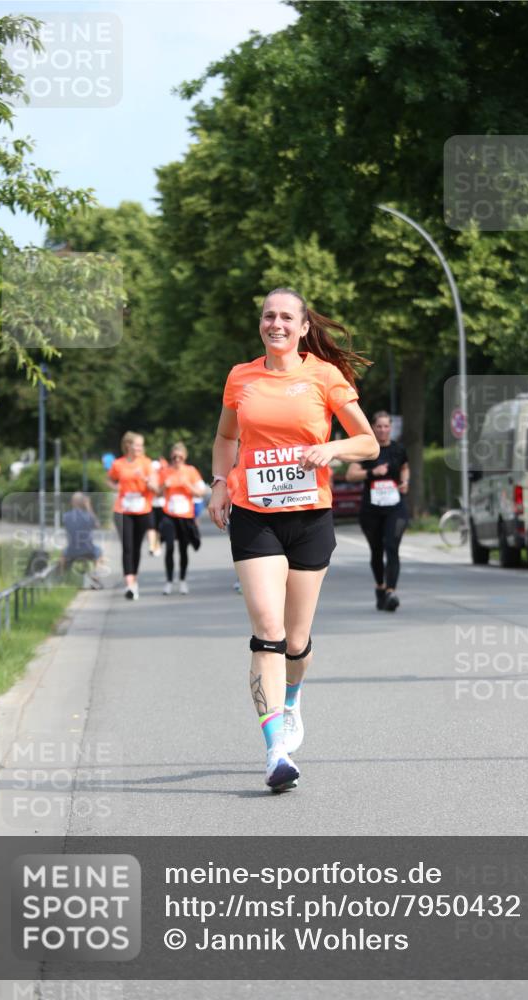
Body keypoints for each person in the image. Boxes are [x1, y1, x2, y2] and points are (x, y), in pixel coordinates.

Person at [208, 287, 379, 792]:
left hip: (309, 519)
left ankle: (292, 697)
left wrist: (331, 449)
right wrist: (220, 483)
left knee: (297, 642)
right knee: (268, 630)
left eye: (286, 317)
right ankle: (275, 752)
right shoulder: (241, 377)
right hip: (254, 515)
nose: (275, 323)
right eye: (267, 316)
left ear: (304, 328)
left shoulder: (325, 377)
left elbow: (367, 442)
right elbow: (225, 438)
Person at [346, 410, 410, 611]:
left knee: (392, 547)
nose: (383, 430)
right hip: (371, 510)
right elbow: (350, 475)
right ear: (373, 428)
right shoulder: (368, 450)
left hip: (395, 508)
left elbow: (405, 467)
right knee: (377, 550)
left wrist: (405, 482)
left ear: (391, 428)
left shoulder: (399, 449)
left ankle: (391, 591)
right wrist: (372, 472)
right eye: (379, 426)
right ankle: (380, 588)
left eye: (386, 426)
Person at [107, 432, 158, 600]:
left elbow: (155, 488)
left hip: (142, 509)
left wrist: (144, 478)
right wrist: (116, 488)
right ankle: (129, 584)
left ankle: (134, 579)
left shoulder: (146, 463)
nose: (140, 448)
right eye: (137, 445)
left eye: (141, 445)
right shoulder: (118, 464)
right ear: (128, 445)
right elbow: (110, 480)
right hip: (122, 510)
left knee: (136, 547)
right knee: (127, 547)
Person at [159, 442, 205, 594]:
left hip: (185, 516)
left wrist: (187, 485)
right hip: (169, 515)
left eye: (180, 457)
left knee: (183, 549)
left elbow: (200, 493)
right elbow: (157, 493)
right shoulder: (165, 471)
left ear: (184, 457)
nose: (177, 459)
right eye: (174, 457)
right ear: (171, 457)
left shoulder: (191, 471)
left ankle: (183, 581)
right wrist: (164, 486)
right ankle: (169, 581)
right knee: (169, 547)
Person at [62, 492, 104, 587]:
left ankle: (62, 578)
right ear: (84, 503)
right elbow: (97, 525)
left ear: (72, 502)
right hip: (88, 550)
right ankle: (96, 574)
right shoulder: (88, 516)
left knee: (63, 554)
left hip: (71, 551)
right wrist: (89, 507)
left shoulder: (66, 516)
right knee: (99, 552)